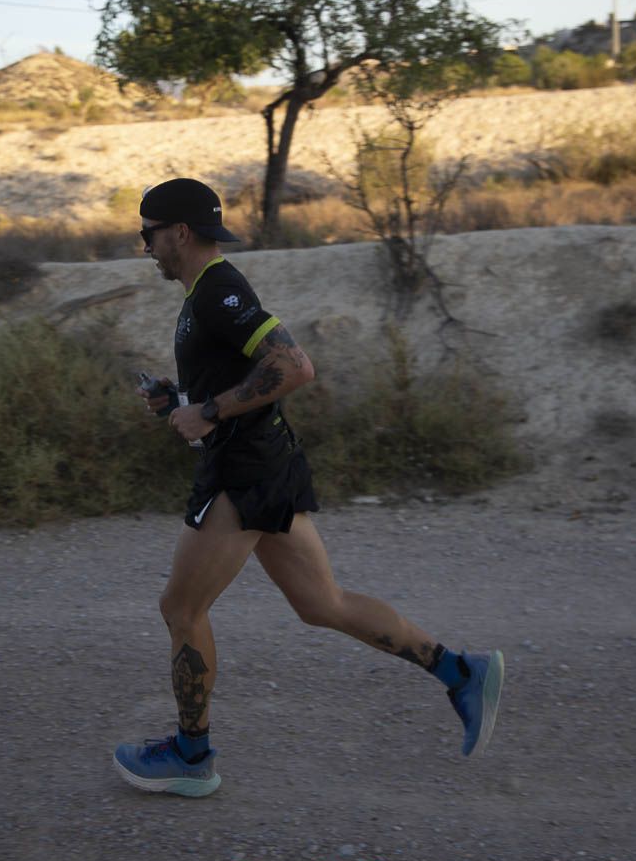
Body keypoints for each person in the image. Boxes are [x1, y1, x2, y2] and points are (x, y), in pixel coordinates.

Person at [113, 178, 504, 797]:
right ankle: (461, 673)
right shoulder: (203, 294)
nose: (147, 246)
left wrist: (208, 412)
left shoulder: (219, 291)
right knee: (323, 604)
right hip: (266, 464)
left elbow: (294, 366)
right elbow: (241, 375)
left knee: (181, 610)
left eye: (149, 234)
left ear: (179, 233)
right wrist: (181, 398)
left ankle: (191, 756)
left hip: (243, 474)